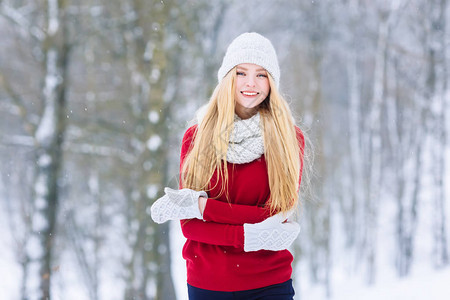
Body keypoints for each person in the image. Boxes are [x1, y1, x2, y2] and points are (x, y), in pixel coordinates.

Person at [151, 32, 305, 300]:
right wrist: (251, 235)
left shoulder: (289, 140)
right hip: (208, 284)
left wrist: (203, 207)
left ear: (272, 83)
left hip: (270, 283)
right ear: (227, 78)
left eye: (261, 74)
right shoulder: (197, 138)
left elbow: (276, 216)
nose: (250, 83)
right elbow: (190, 227)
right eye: (241, 73)